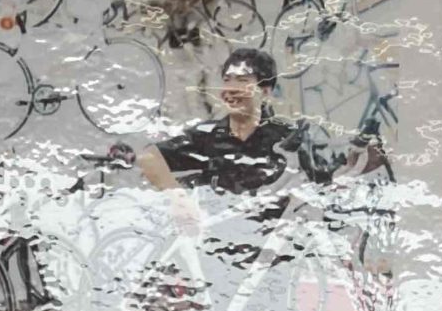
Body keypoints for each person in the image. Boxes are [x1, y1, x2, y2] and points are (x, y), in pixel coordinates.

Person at [137, 49, 367, 200]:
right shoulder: (207, 136)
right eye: (227, 80)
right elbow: (149, 157)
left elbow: (327, 182)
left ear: (265, 92)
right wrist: (178, 200)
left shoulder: (287, 139)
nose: (230, 89)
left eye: (242, 81)